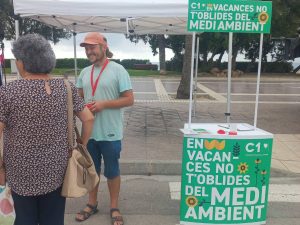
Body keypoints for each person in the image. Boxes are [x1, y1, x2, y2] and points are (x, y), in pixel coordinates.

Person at [0, 33, 94, 225]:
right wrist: (82, 143)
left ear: (23, 62)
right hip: (57, 169)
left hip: (20, 172)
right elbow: (88, 118)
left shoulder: (9, 91)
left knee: (24, 219)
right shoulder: (65, 87)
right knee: (53, 219)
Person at [75, 32, 134, 225]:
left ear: (104, 47)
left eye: (93, 46)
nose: (89, 51)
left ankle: (114, 206)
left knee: (112, 171)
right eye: (86, 48)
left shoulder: (118, 70)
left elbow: (129, 99)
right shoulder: (84, 72)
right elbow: (78, 100)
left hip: (110, 132)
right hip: (89, 132)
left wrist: (103, 104)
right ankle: (92, 203)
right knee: (91, 170)